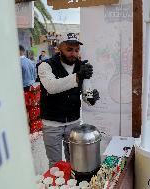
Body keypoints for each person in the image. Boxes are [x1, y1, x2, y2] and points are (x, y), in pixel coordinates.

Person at [38, 32, 100, 168]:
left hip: (74, 122)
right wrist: (77, 76)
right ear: (59, 49)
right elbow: (52, 87)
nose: (74, 53)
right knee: (56, 164)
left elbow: (86, 92)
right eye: (69, 50)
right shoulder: (45, 65)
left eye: (77, 50)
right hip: (51, 123)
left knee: (75, 160)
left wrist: (91, 98)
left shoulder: (81, 66)